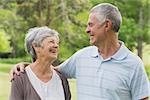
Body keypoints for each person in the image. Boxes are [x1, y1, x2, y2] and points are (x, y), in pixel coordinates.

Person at [10, 3, 150, 100]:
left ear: (106, 25)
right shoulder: (82, 56)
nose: (87, 30)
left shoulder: (133, 64)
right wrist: (25, 65)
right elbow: (50, 70)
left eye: (90, 25)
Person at [10, 27, 71, 100]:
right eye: (51, 42)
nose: (56, 46)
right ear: (35, 46)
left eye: (57, 43)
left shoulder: (61, 78)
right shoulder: (20, 77)